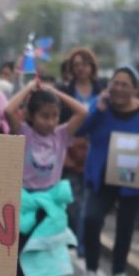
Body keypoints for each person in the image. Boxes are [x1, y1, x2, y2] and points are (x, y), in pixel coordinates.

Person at [3, 78, 88, 276]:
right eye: (43, 116)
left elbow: (83, 112)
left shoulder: (61, 136)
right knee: (20, 267)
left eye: (54, 116)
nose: (49, 122)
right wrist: (31, 88)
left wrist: (55, 92)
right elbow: (8, 110)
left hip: (51, 211)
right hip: (26, 206)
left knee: (50, 267)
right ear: (30, 115)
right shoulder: (24, 133)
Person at [74, 67, 139, 276]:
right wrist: (98, 111)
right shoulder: (99, 105)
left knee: (125, 228)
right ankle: (91, 272)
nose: (119, 89)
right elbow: (80, 130)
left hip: (132, 181)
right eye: (115, 83)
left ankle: (119, 275)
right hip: (101, 176)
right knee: (91, 220)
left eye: (125, 84)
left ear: (136, 89)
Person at [58, 47, 107, 250]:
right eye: (76, 64)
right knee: (73, 200)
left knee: (93, 199)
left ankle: (86, 240)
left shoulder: (102, 90)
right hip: (70, 150)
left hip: (96, 149)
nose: (80, 68)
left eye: (84, 64)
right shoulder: (65, 90)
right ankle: (78, 239)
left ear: (92, 66)